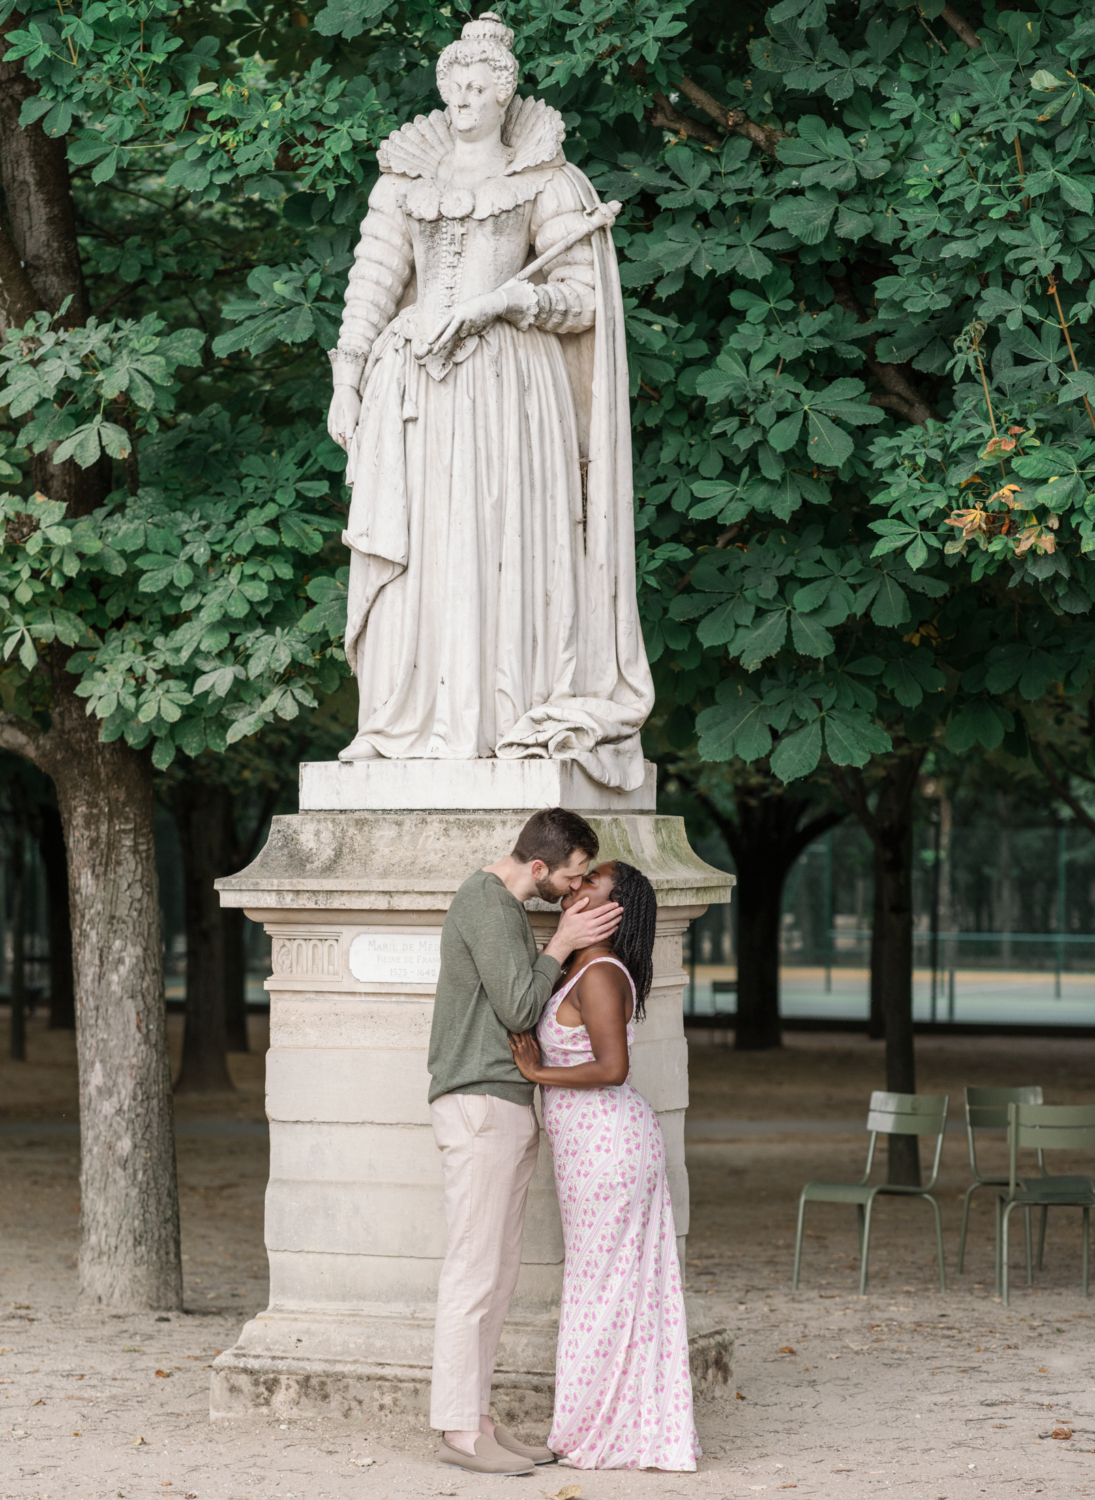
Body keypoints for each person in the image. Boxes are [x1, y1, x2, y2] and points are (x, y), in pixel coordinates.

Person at [326, 11, 653, 792]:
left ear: (505, 95)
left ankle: (501, 711)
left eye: (481, 86)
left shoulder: (546, 179)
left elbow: (580, 300)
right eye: (456, 85)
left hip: (507, 386)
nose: (466, 97)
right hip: (412, 384)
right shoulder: (404, 180)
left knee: (498, 538)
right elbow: (371, 282)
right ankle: (398, 721)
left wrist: (506, 306)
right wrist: (346, 377)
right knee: (420, 547)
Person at [428, 807, 623, 1476]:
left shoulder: (506, 910)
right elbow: (516, 1006)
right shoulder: (486, 902)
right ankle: (457, 1429)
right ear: (537, 866)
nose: (574, 891)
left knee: (497, 1272)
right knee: (473, 1272)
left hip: (500, 1102)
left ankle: (476, 1417)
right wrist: (562, 942)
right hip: (479, 1102)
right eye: (570, 877)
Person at [509, 861, 700, 1471]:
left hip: (610, 1146)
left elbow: (612, 1068)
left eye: (592, 881)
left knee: (603, 1288)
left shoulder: (598, 974)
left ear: (616, 910)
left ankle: (599, 1431)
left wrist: (538, 1072)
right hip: (593, 1146)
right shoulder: (578, 964)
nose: (577, 884)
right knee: (606, 1287)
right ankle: (613, 1423)